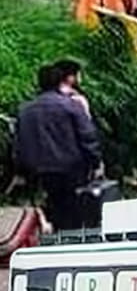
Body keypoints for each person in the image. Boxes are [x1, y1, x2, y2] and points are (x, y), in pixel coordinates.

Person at [12, 62, 102, 232]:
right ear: (60, 82)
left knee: (51, 207)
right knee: (71, 209)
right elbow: (88, 136)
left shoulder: (25, 110)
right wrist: (95, 162)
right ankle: (71, 242)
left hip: (37, 171)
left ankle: (55, 237)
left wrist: (20, 170)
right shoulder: (72, 106)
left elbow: (19, 143)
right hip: (70, 169)